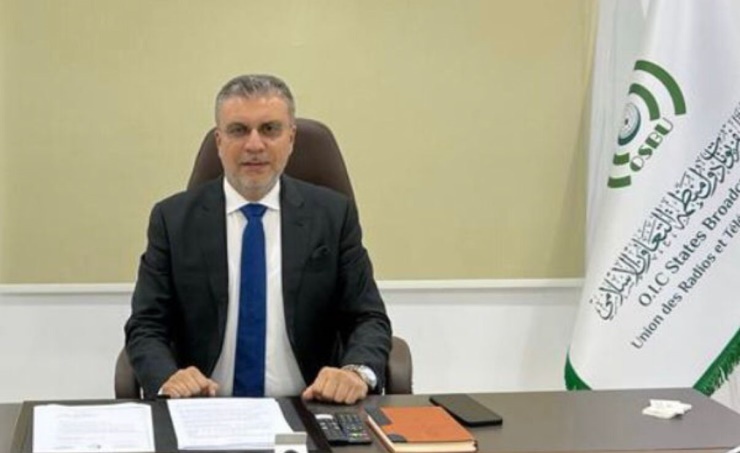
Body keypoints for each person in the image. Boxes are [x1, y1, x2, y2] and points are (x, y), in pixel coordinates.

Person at [124, 74, 391, 404]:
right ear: (219, 141)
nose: (254, 145)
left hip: (312, 404)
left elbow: (368, 317)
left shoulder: (333, 216)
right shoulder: (172, 220)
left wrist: (355, 373)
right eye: (238, 130)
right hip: (203, 406)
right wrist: (167, 377)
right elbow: (146, 324)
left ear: (291, 139)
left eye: (269, 129)